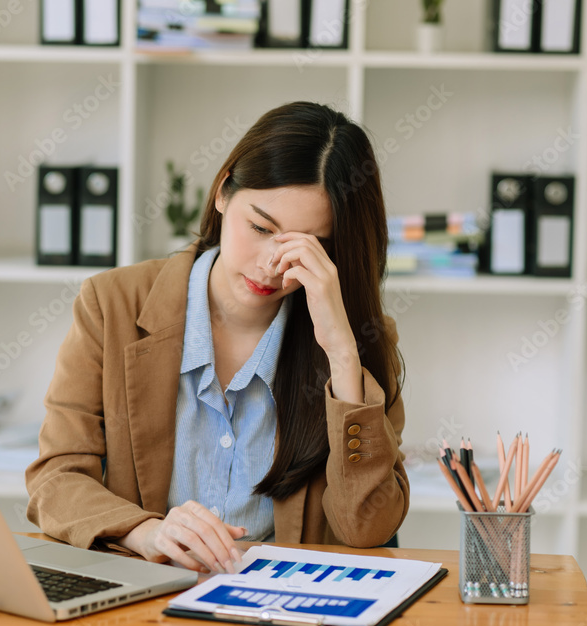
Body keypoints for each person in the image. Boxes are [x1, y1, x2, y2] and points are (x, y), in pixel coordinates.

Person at [25, 101, 407, 576]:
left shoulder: (355, 340)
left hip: (285, 617)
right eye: (261, 228)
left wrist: (342, 355)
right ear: (223, 192)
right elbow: (56, 479)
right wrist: (147, 532)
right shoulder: (112, 304)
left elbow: (368, 528)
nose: (272, 264)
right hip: (145, 600)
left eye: (304, 247)